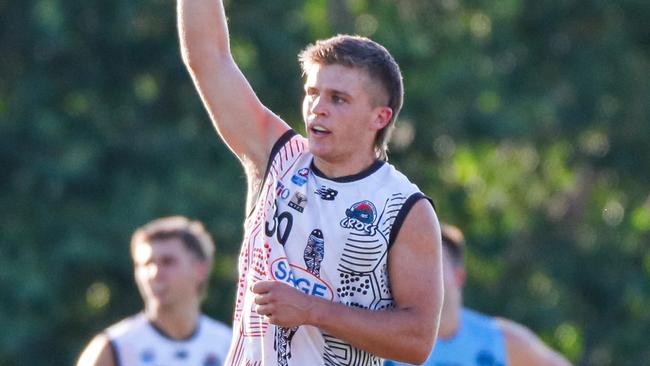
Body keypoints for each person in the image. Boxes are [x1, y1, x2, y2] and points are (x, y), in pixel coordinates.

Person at [176, 1, 444, 365]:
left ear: (379, 117)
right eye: (313, 93)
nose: (318, 108)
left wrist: (311, 310)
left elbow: (417, 341)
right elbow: (209, 59)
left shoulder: (405, 208)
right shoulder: (277, 157)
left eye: (338, 99)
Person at [385, 223, 572, 366]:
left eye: (433, 266)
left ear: (458, 277)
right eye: (413, 266)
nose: (421, 275)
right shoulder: (384, 339)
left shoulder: (501, 342)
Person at [76, 216, 232, 366]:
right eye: (146, 264)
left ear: (200, 269)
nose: (155, 273)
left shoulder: (229, 346)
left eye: (168, 262)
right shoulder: (114, 347)